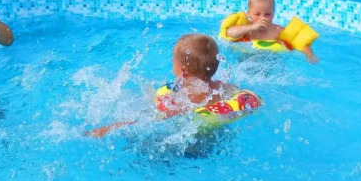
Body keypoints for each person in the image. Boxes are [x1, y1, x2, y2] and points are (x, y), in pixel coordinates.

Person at [86, 34, 261, 137]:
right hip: (217, 135)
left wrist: (109, 128)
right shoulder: (222, 87)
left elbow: (149, 121)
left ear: (183, 71)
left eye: (173, 60)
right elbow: (248, 99)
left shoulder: (180, 97)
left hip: (190, 140)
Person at [219, 0, 320, 63]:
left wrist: (309, 55)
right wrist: (252, 27)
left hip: (269, 65)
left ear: (273, 13)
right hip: (245, 61)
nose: (262, 18)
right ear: (249, 13)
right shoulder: (245, 28)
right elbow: (229, 33)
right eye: (257, 14)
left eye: (267, 14)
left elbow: (299, 41)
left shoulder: (277, 31)